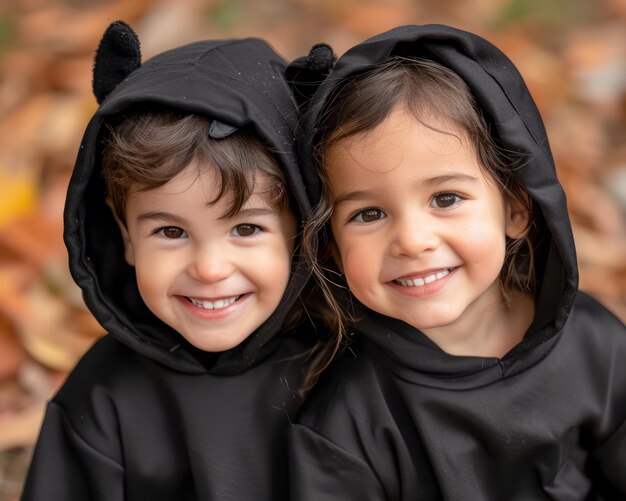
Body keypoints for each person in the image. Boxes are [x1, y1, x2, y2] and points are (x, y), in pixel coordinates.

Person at [288, 24, 626, 499]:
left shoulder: (596, 346)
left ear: (515, 207)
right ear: (329, 246)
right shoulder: (350, 424)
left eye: (446, 198)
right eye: (369, 213)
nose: (412, 240)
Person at [21, 20, 319, 501]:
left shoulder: (340, 360)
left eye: (246, 229)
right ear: (127, 238)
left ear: (301, 229)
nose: (209, 268)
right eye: (171, 232)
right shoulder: (102, 399)